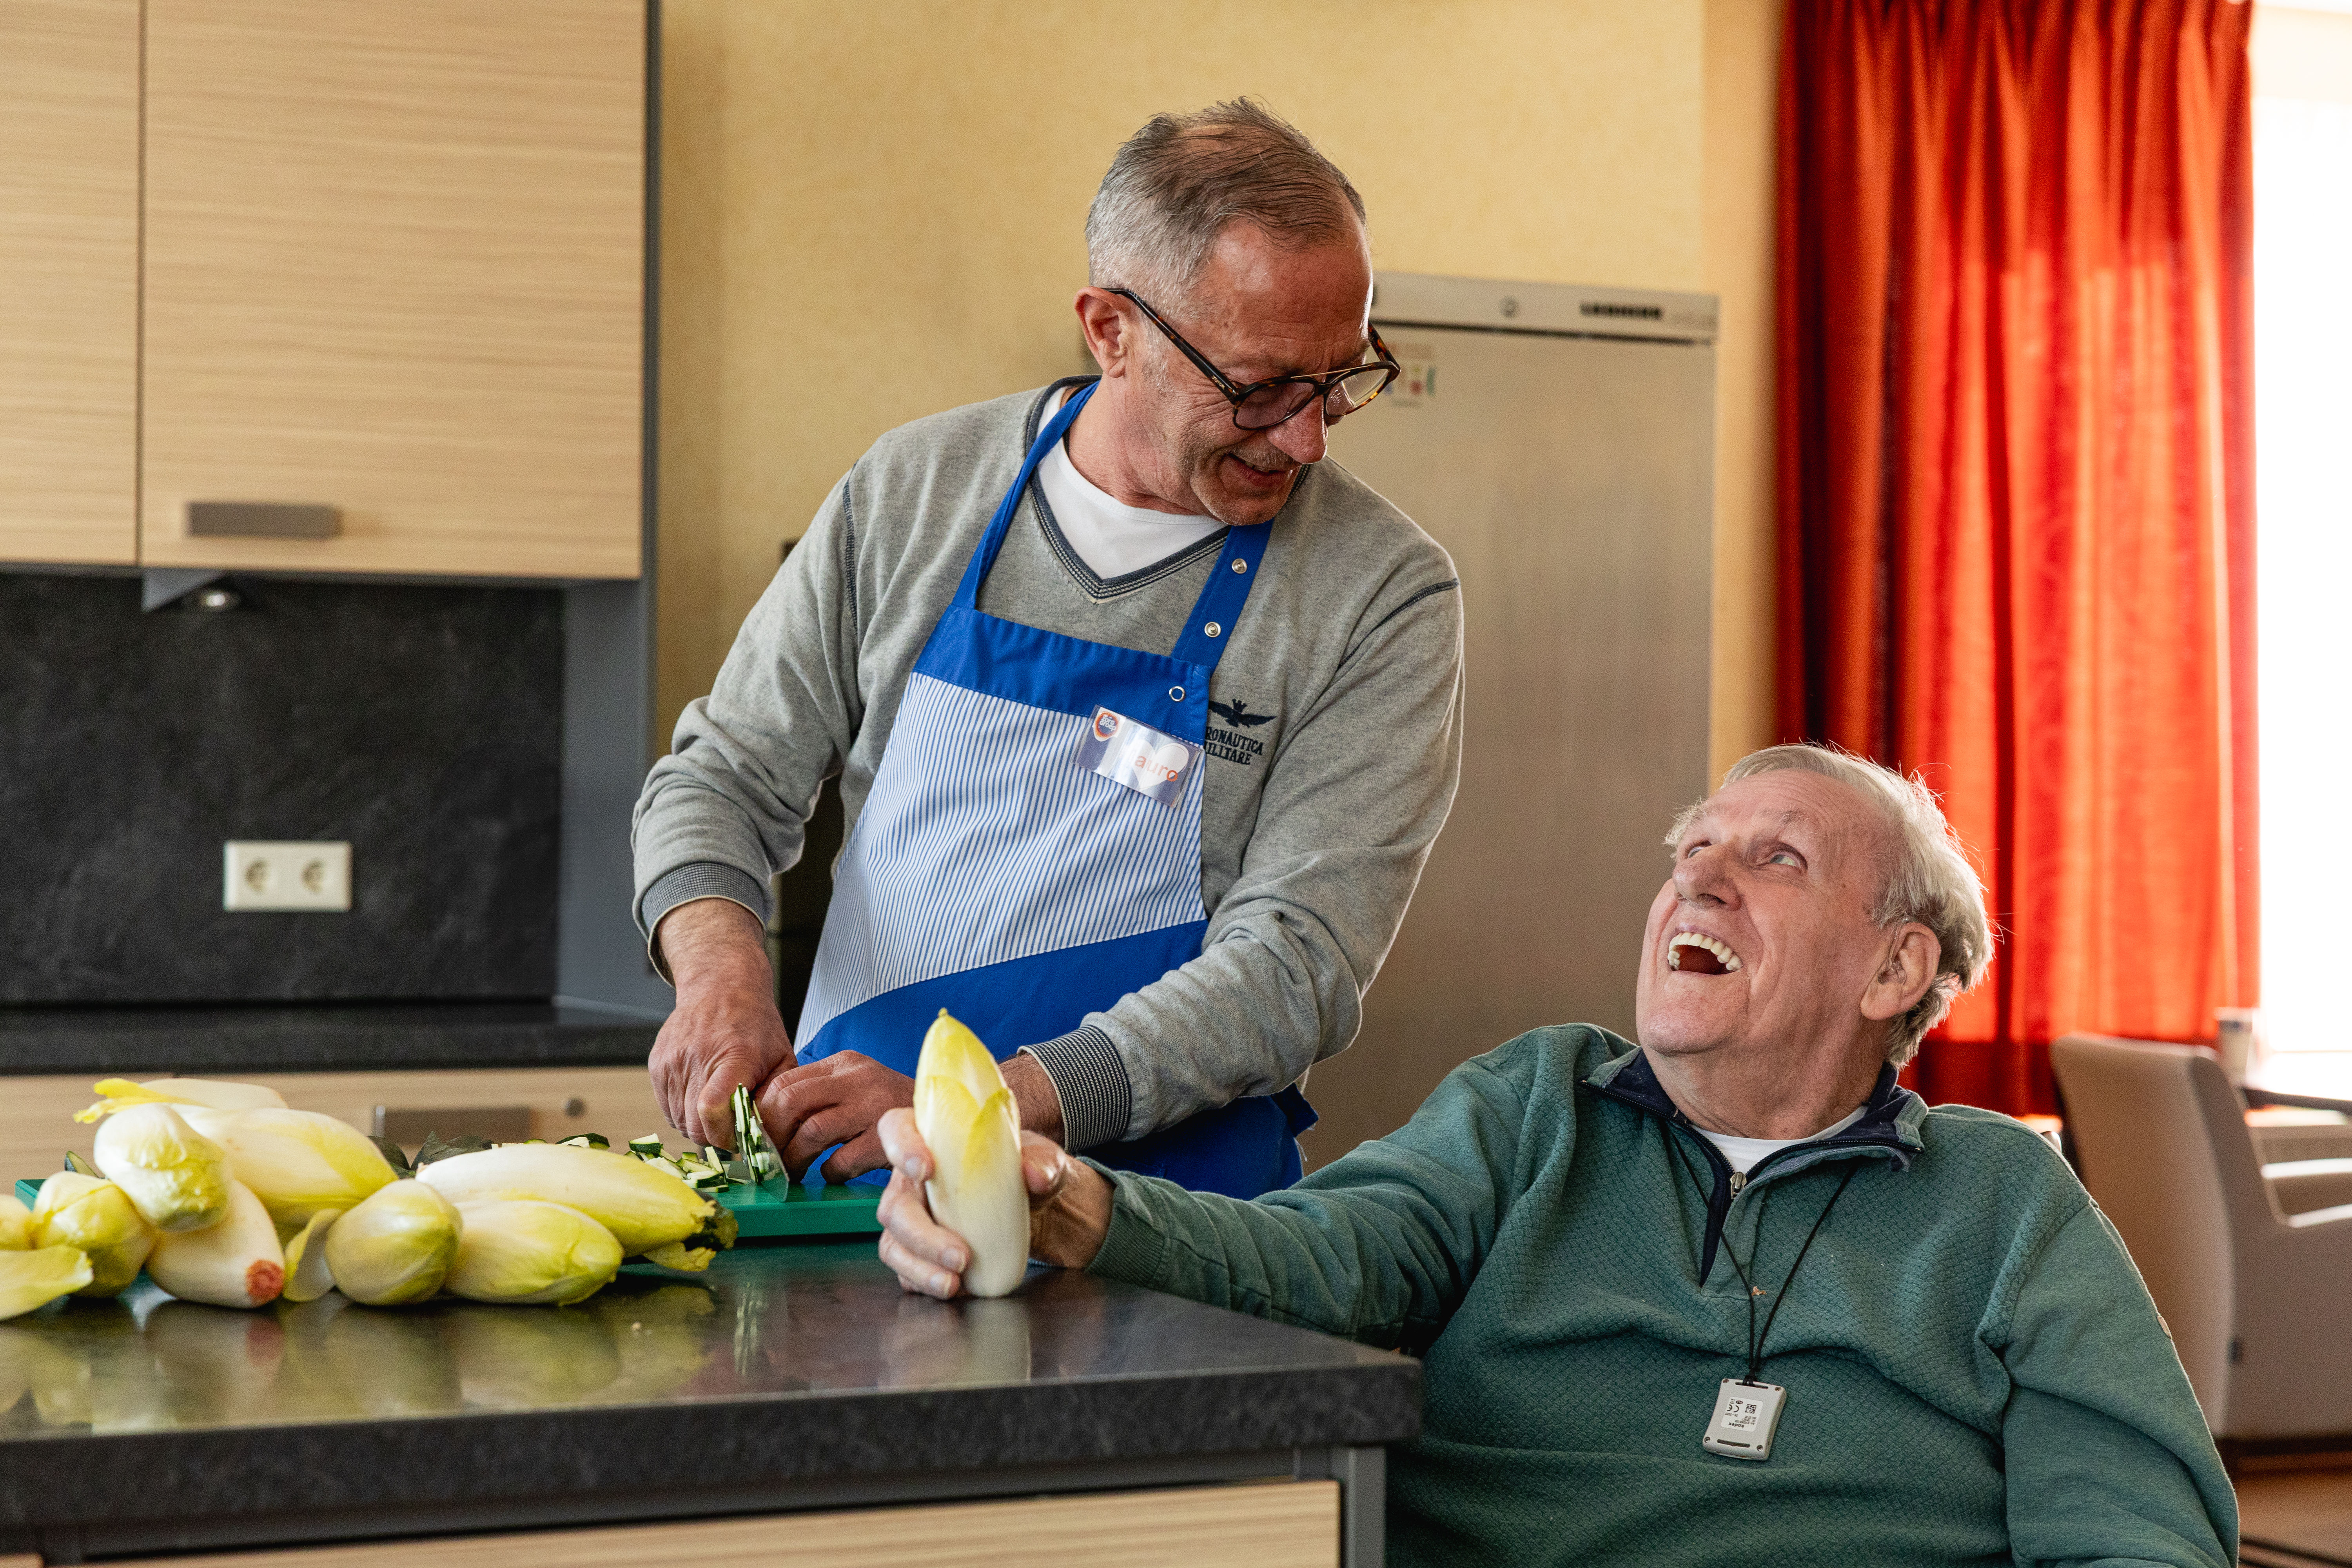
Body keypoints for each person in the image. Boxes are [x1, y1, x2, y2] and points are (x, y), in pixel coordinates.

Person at [875, 744, 2239, 1566]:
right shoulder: (1541, 1105)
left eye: (1774, 859)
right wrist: (1069, 1201)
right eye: (1691, 848)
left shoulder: (2004, 1204)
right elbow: (1320, 1258)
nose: (1699, 879)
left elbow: (2137, 1532)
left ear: (1896, 967)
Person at [632, 100, 1464, 1197]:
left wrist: (977, 1103)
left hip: (1170, 1219)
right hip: (862, 1182)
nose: (1305, 437)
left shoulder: (1381, 592)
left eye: (1344, 380)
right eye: (1261, 388)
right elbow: (723, 777)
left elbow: (1295, 967)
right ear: (1110, 330)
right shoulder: (913, 492)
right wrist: (719, 977)